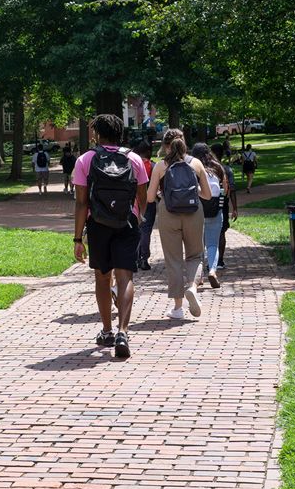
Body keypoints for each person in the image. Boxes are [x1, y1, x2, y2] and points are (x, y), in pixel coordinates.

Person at [73, 114, 150, 358]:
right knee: (125, 277)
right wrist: (137, 218)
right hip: (126, 223)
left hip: (98, 224)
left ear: (97, 134)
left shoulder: (86, 159)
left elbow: (81, 203)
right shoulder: (134, 159)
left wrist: (77, 238)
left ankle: (106, 330)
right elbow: (143, 196)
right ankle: (123, 331)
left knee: (102, 278)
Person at [147, 130, 212, 320]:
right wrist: (193, 190)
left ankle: (177, 308)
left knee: (173, 259)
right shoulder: (196, 163)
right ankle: (192, 287)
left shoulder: (161, 166)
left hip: (169, 212)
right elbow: (208, 195)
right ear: (183, 142)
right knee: (195, 255)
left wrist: (163, 194)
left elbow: (150, 197)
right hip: (193, 212)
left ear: (166, 145)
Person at [190, 143, 228, 288]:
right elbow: (225, 188)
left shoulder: (193, 166)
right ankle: (212, 271)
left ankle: (198, 276)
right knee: (213, 244)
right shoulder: (217, 167)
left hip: (197, 211)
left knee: (197, 246)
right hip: (215, 210)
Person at [212, 144, 239, 269]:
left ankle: (211, 260)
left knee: (209, 233)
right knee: (221, 232)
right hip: (223, 204)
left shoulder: (208, 169)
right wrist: (235, 208)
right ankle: (220, 261)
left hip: (209, 203)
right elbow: (232, 190)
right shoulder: (227, 169)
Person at [134, 139, 157, 270]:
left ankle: (135, 257)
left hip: (134, 202)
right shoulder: (153, 166)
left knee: (135, 229)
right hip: (149, 202)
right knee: (146, 230)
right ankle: (144, 258)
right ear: (148, 151)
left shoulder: (132, 164)